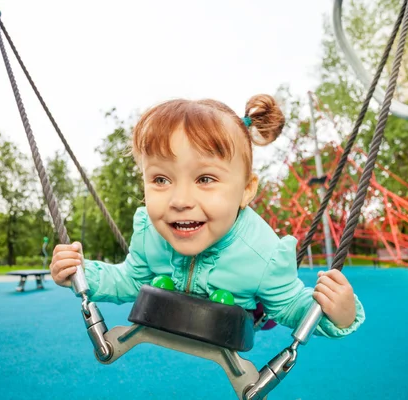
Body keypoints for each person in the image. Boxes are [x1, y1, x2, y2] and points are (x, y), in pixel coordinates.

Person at [50, 94, 365, 337]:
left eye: (205, 179)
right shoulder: (149, 232)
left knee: (270, 309)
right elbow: (130, 280)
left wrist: (338, 313)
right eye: (161, 180)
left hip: (244, 316)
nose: (181, 200)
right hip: (172, 309)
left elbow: (291, 305)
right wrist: (81, 273)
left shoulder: (264, 253)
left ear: (245, 189)